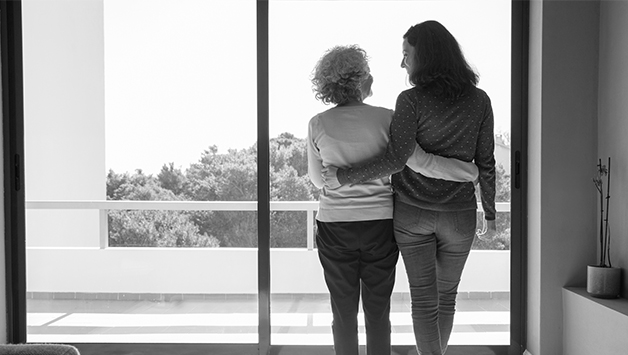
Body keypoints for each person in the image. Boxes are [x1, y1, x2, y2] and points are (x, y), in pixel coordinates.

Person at [322, 21, 497, 355]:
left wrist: (345, 177)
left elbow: (397, 159)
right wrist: (489, 208)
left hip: (412, 213)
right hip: (460, 215)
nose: (403, 63)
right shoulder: (480, 100)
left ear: (425, 56)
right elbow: (486, 161)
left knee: (424, 299)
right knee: (447, 297)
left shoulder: (410, 100)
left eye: (406, 54)